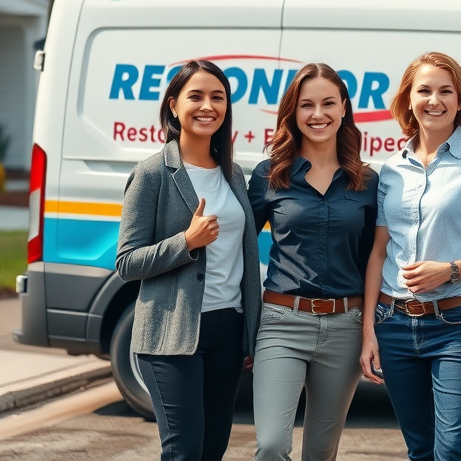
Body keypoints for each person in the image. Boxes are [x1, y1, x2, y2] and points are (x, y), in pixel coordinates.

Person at [360, 52, 461, 461]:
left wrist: (448, 271)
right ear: (408, 101)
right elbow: (379, 252)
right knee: (420, 450)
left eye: (445, 91)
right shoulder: (391, 168)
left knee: (451, 451)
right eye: (424, 91)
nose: (435, 100)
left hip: (456, 325)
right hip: (393, 324)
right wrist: (369, 330)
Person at [115, 59, 261, 461]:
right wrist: (186, 241)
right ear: (174, 105)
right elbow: (127, 262)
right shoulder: (152, 174)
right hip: (172, 332)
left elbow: (244, 260)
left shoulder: (233, 175)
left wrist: (249, 331)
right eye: (196, 96)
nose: (207, 106)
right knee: (184, 451)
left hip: (227, 331)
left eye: (218, 97)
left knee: (212, 449)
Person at [247, 62, 378, 461]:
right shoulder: (269, 176)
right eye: (306, 105)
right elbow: (238, 250)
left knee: (321, 452)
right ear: (293, 112)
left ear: (343, 109)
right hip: (282, 323)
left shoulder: (368, 181)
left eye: (327, 104)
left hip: (345, 327)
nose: (317, 114)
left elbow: (375, 258)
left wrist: (371, 330)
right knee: (271, 445)